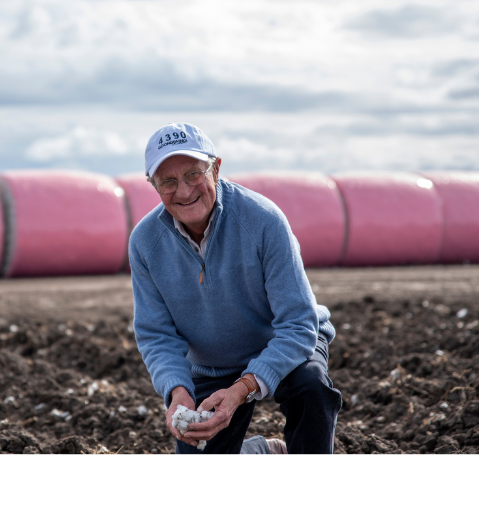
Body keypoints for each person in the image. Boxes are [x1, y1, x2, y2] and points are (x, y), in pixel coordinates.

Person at [128, 122, 342, 454]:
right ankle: (261, 453)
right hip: (211, 365)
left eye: (194, 174)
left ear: (215, 169)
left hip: (283, 345)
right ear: (152, 185)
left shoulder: (264, 220)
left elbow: (298, 324)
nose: (183, 191)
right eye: (167, 181)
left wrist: (243, 388)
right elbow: (156, 335)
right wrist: (177, 389)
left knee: (311, 388)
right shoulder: (145, 242)